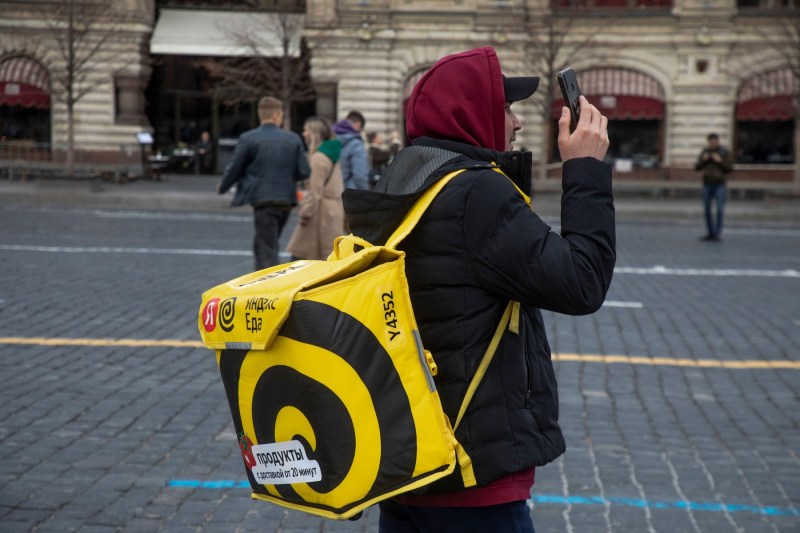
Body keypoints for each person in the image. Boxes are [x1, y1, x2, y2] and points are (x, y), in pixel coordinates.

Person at [343, 47, 615, 532]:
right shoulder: (476, 193)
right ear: (473, 114)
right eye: (506, 109)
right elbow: (582, 283)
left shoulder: (404, 177)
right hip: (472, 475)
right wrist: (586, 169)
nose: (516, 123)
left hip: (411, 459)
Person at [217, 96, 310, 270]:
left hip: (262, 198)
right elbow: (304, 171)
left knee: (267, 245)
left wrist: (223, 187)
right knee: (266, 241)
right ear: (276, 115)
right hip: (286, 198)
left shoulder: (248, 138)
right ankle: (261, 276)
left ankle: (268, 283)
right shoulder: (293, 139)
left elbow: (236, 167)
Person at [286, 117, 346, 260]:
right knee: (325, 256)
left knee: (302, 256)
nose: (303, 133)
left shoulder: (318, 158)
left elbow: (315, 192)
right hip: (332, 210)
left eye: (306, 130)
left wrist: (305, 212)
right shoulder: (330, 154)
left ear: (314, 134)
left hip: (320, 214)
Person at [694, 133, 732, 241]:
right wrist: (704, 160)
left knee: (720, 209)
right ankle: (710, 232)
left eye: (715, 141)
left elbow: (729, 168)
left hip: (720, 184)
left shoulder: (724, 152)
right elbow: (697, 167)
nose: (713, 144)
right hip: (707, 184)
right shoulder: (705, 151)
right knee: (707, 209)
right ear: (709, 142)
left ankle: (717, 233)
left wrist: (720, 161)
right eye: (711, 142)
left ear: (718, 141)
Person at [333, 110, 370, 190]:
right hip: (348, 193)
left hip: (330, 190)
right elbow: (359, 174)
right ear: (358, 125)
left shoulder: (330, 138)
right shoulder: (356, 144)